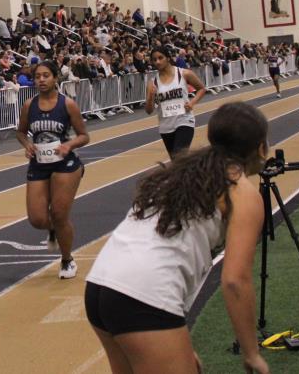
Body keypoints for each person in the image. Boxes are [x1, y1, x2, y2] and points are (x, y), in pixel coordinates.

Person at [84, 102, 271, 374]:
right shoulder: (241, 192)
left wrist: (174, 338)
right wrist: (251, 352)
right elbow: (235, 280)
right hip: (144, 294)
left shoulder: (178, 171)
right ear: (261, 148)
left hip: (101, 285)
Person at [15, 60, 89, 279]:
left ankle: (67, 260)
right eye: (37, 76)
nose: (41, 80)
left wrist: (68, 145)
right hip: (39, 163)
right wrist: (27, 145)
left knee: (59, 213)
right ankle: (54, 229)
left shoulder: (67, 104)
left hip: (65, 164)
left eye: (46, 75)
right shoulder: (29, 105)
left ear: (55, 78)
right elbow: (20, 132)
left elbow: (84, 136)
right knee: (37, 219)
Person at [144, 46, 206, 159]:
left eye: (160, 58)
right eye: (154, 59)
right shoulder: (152, 83)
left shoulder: (184, 74)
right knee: (176, 162)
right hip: (165, 126)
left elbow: (201, 89)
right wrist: (150, 97)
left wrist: (192, 103)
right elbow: (149, 110)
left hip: (184, 121)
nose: (157, 62)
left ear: (168, 58)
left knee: (179, 156)